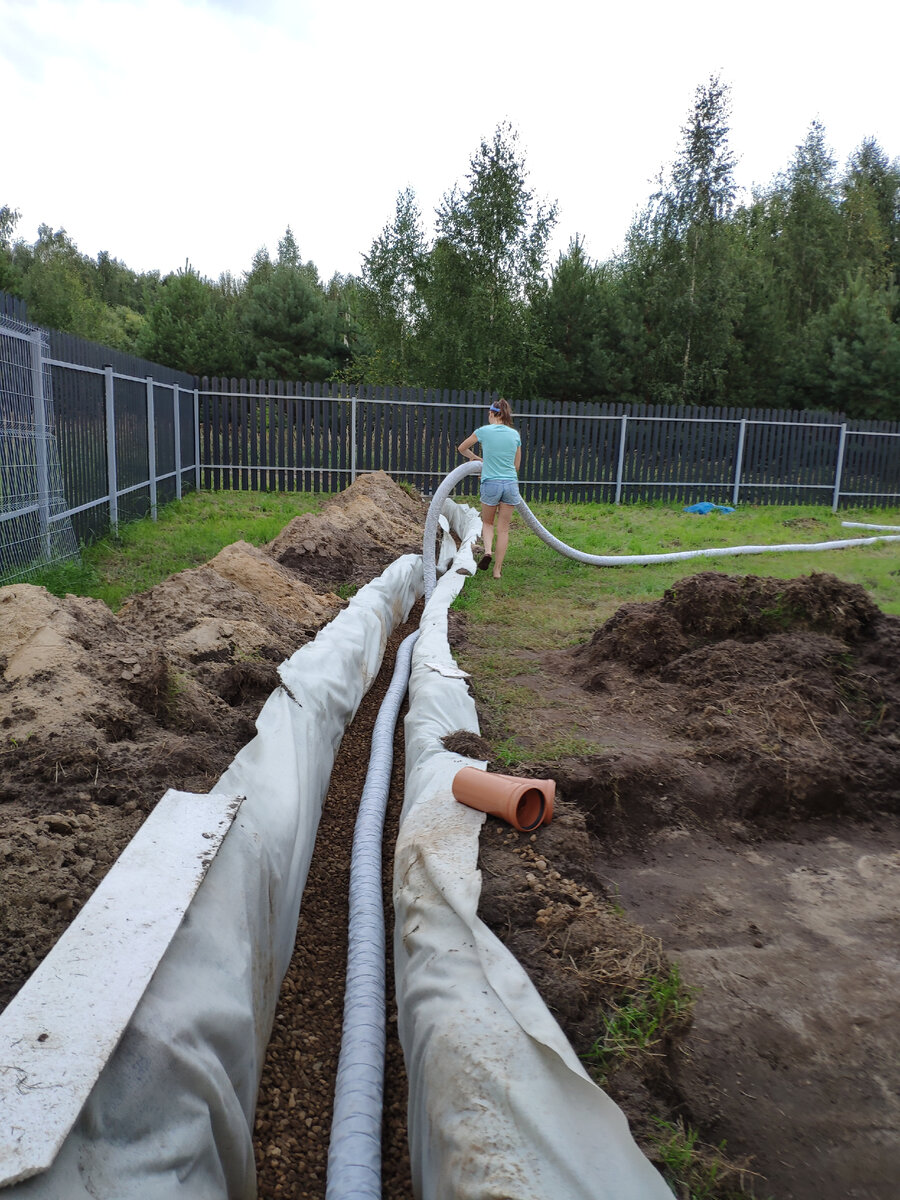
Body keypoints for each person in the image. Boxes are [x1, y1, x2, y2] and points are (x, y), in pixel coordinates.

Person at [457, 398, 522, 580]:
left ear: (493, 414)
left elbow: (462, 448)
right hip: (510, 484)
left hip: (490, 483)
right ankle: (497, 571)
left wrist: (476, 458)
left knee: (488, 523)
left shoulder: (483, 431)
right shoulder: (514, 435)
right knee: (504, 529)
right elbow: (516, 466)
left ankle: (487, 551)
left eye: (489, 413)